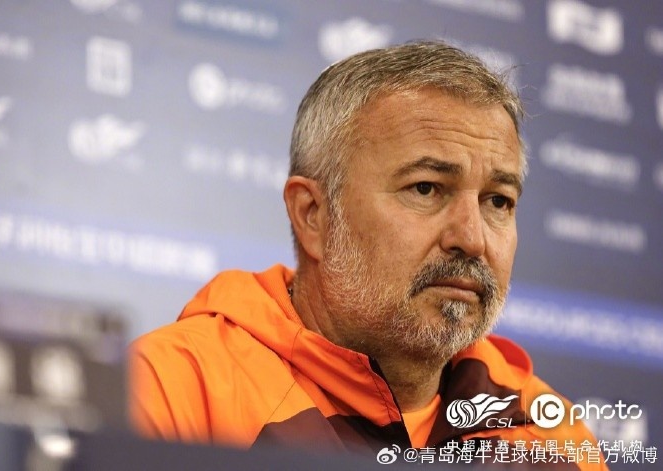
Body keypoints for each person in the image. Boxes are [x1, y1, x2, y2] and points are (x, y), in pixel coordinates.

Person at [130, 41, 606, 469]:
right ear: (313, 215)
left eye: (498, 201)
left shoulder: (551, 438)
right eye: (426, 188)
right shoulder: (172, 390)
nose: (472, 238)